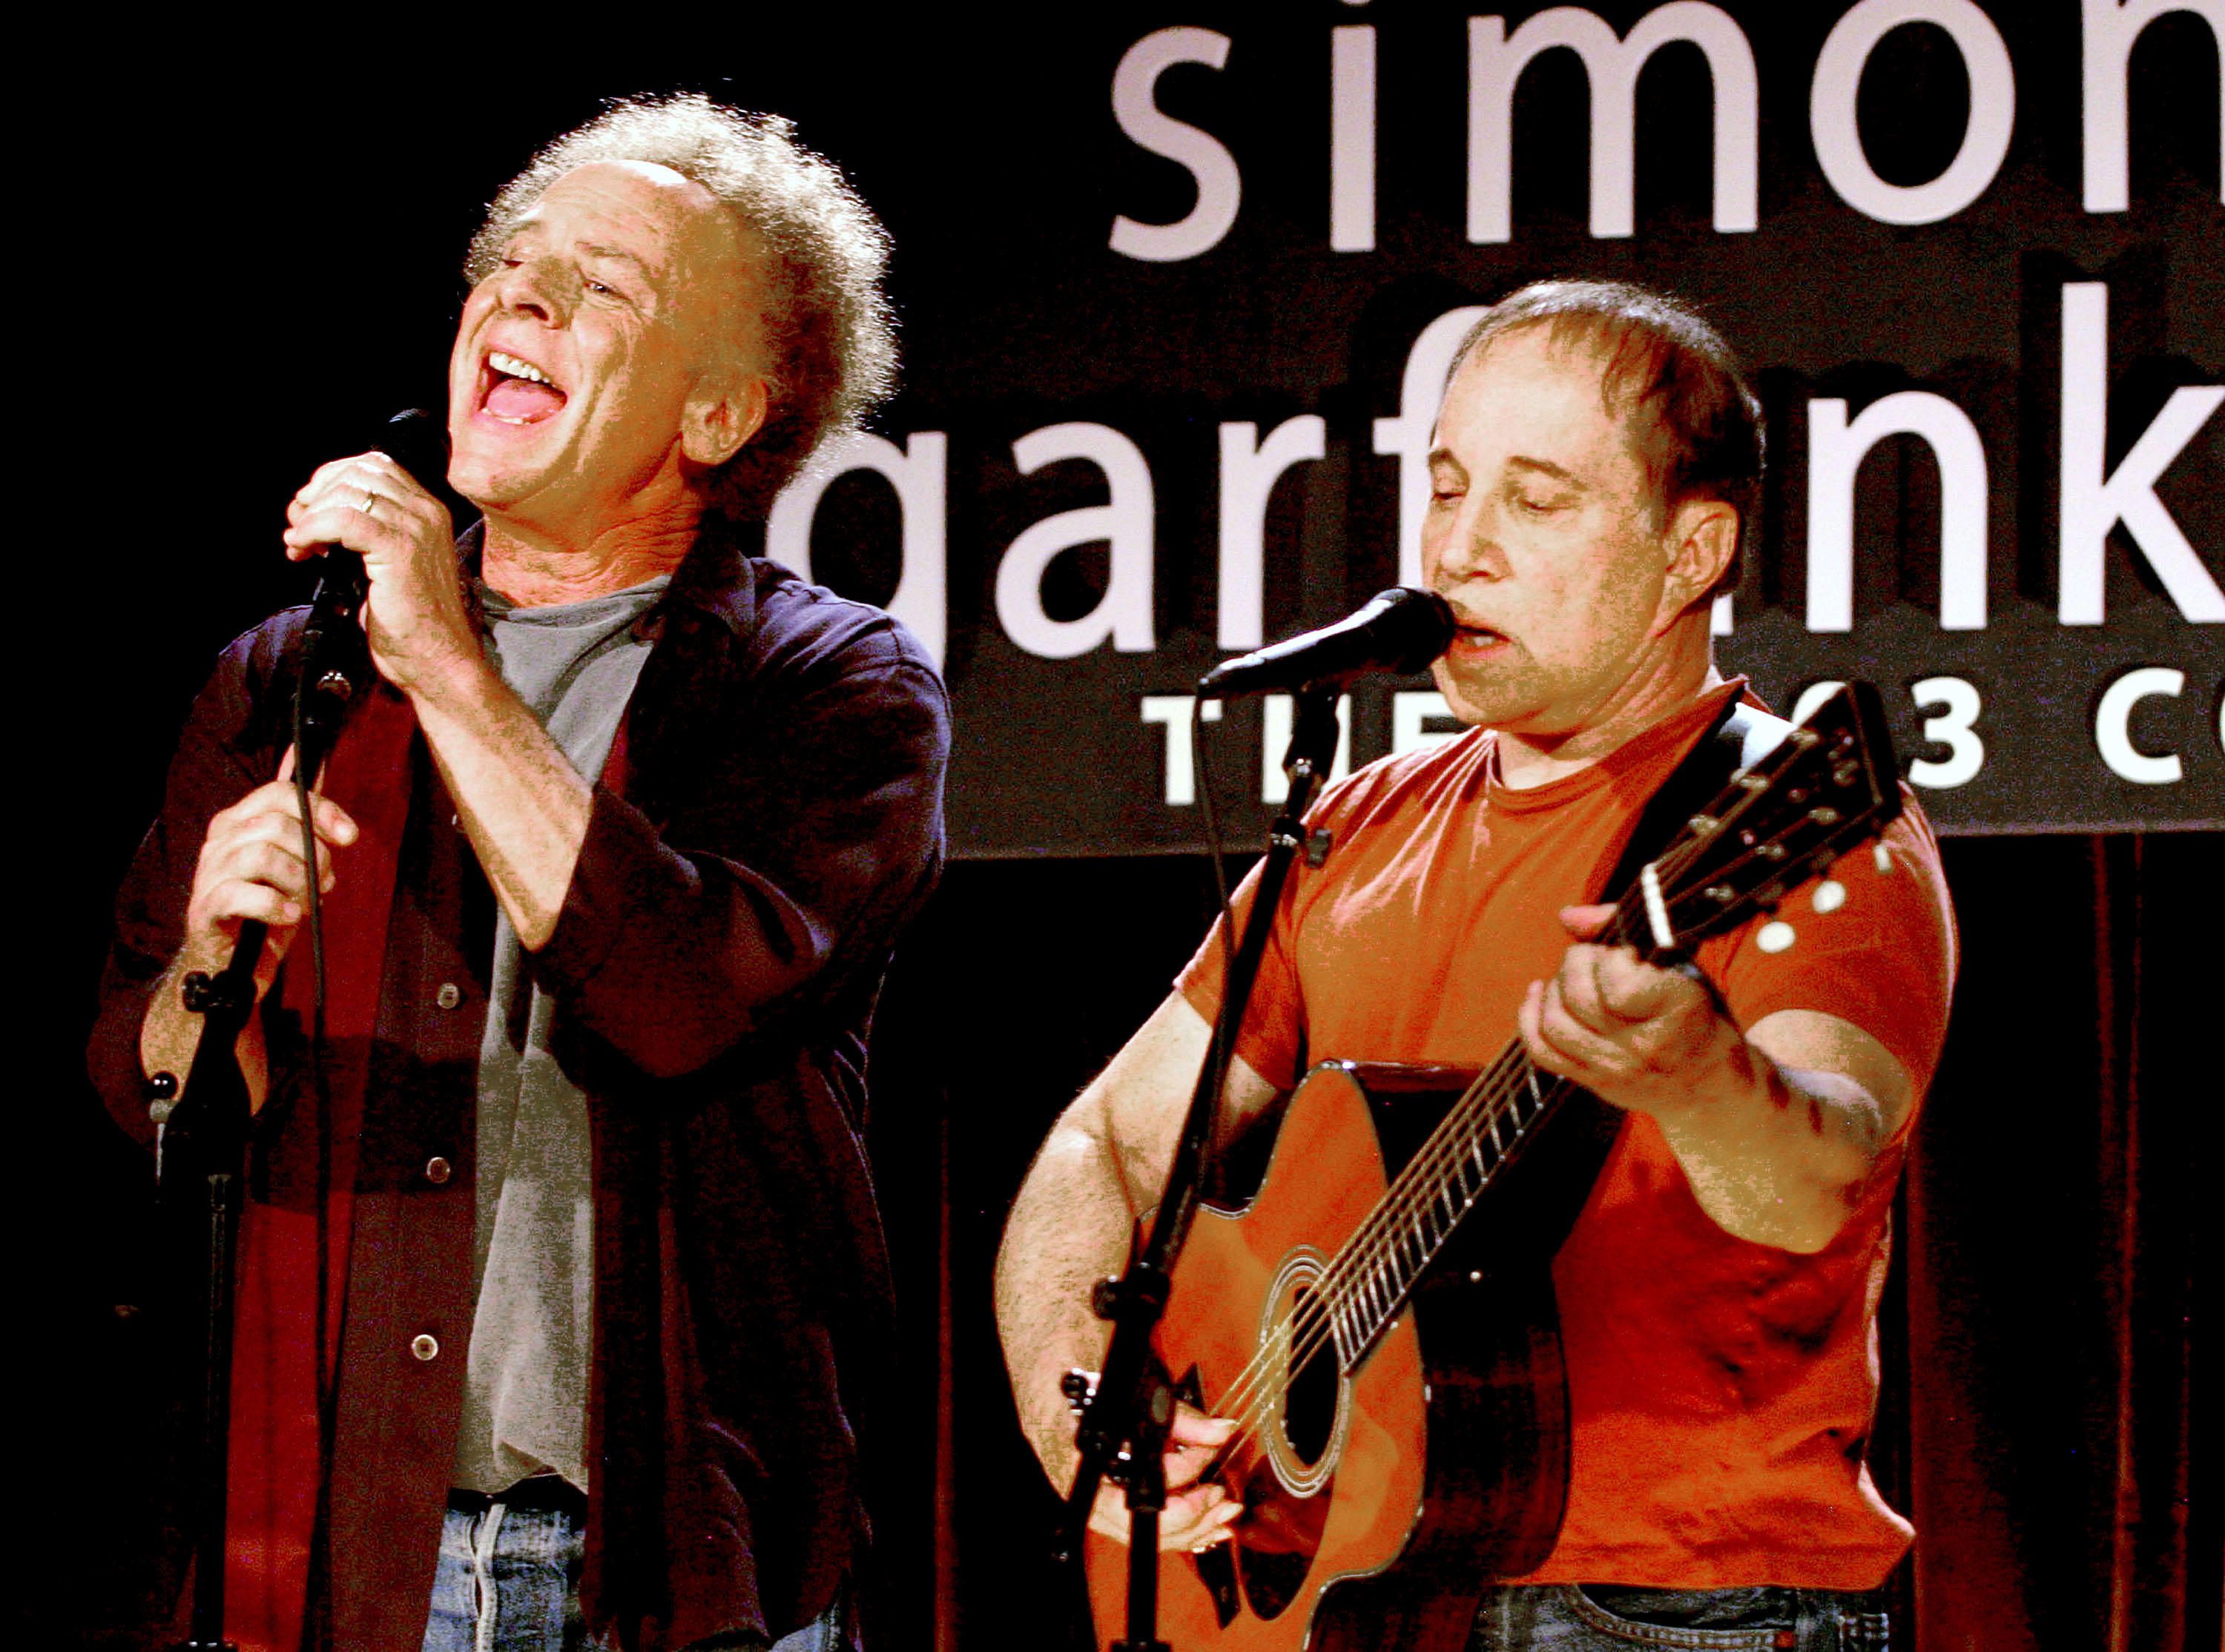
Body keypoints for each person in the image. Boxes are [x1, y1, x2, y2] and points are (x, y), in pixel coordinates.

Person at [90, 96, 949, 1652]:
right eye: (512, 263)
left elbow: (681, 1000)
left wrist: (446, 659)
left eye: (604, 285)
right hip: (346, 1564)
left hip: (666, 1568)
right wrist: (214, 967)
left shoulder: (831, 689)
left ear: (715, 415)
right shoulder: (288, 680)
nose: (524, 299)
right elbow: (159, 1096)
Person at [994, 280, 1955, 1651]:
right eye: (1446, 490)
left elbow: (1821, 1182)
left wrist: (1696, 1073)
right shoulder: (1358, 824)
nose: (1460, 549)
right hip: (1353, 1591)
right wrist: (1077, 1407)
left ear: (1692, 552)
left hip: (1671, 1613)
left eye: (1536, 501)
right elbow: (1110, 1143)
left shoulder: (1803, 825)